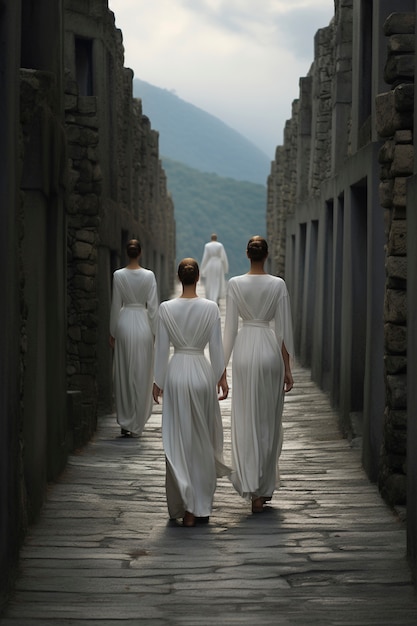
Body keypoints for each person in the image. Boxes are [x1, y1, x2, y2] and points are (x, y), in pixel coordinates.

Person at [153, 258, 229, 527]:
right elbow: (217, 348)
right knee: (201, 438)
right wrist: (221, 376)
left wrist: (157, 380)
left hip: (176, 373)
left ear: (178, 277)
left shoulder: (166, 308)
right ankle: (199, 503)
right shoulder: (209, 308)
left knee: (178, 438)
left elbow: (162, 349)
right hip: (200, 371)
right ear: (198, 278)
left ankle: (185, 502)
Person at [223, 236, 294, 514]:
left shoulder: (234, 284)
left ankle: (251, 483)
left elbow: (229, 330)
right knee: (269, 419)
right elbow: (284, 331)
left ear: (247, 255)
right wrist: (287, 367)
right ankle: (263, 487)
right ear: (266, 256)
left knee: (247, 416)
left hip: (244, 350)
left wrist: (221, 370)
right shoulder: (278, 285)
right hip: (268, 349)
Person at [109, 239, 158, 438]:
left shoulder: (118, 275)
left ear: (126, 253)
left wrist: (112, 331)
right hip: (143, 323)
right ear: (140, 253)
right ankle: (138, 417)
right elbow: (153, 307)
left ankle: (126, 418)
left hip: (125, 321)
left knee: (123, 372)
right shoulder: (149, 276)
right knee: (142, 371)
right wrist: (155, 331)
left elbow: (115, 305)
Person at [200, 233, 229, 303]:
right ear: (216, 238)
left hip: (210, 264)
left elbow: (205, 257)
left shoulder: (207, 246)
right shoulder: (220, 245)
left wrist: (202, 269)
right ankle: (216, 297)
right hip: (218, 264)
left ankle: (210, 296)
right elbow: (223, 257)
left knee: (210, 281)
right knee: (217, 280)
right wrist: (225, 268)